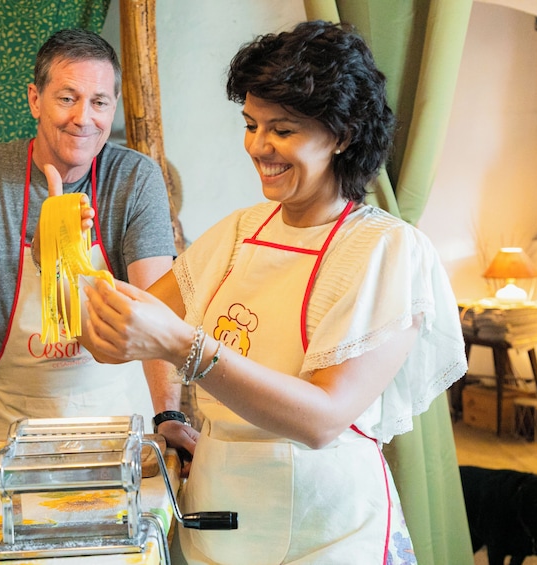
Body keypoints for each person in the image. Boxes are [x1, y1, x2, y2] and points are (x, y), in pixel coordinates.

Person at [73, 20, 467, 564]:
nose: (259, 146)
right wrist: (78, 260)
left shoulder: (389, 251)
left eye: (281, 129)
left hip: (327, 529)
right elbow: (112, 339)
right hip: (221, 515)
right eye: (251, 124)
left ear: (343, 134)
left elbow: (323, 418)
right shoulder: (239, 232)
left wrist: (184, 347)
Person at [0, 28, 197, 464]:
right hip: (11, 431)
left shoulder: (135, 178)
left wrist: (169, 414)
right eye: (67, 98)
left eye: (99, 102)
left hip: (122, 428)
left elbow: (153, 304)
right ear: (35, 99)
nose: (84, 118)